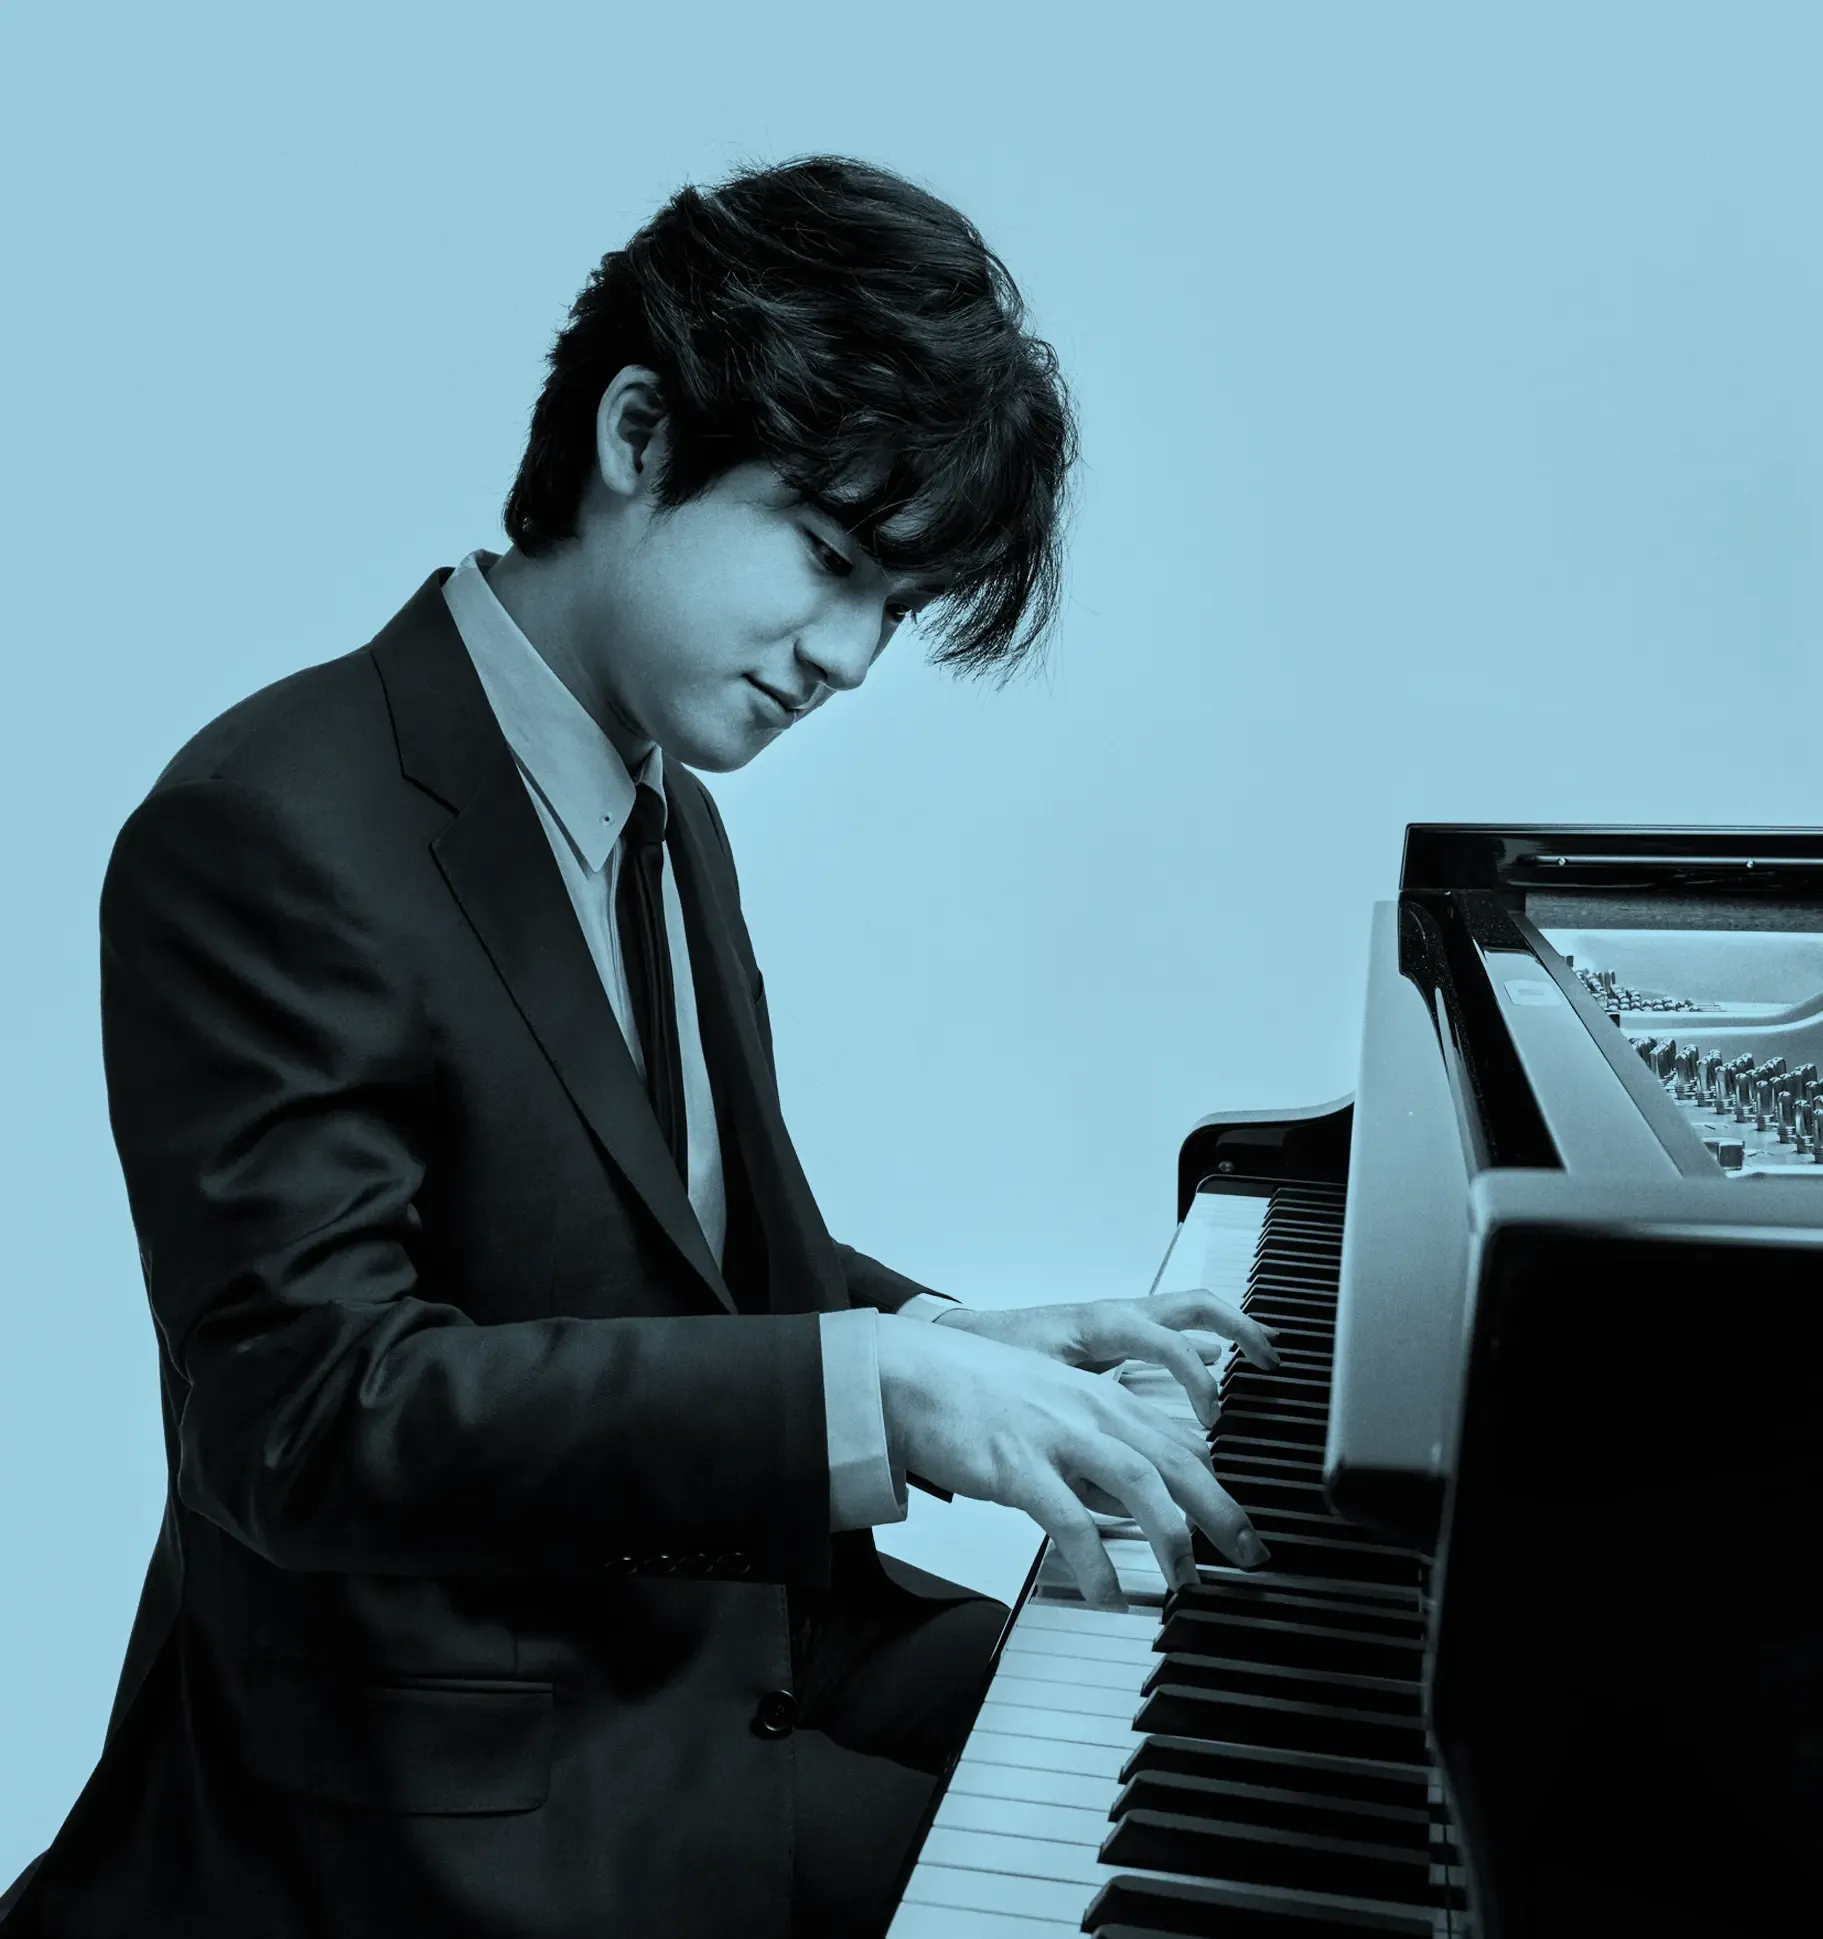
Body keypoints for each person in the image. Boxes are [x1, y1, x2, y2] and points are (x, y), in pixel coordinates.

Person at [0, 154, 1278, 1939]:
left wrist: (933, 1330)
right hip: (458, 1777)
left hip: (729, 1640)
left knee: (1200, 1755)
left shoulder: (667, 805)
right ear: (633, 435)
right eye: (830, 558)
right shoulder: (270, 823)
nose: (848, 654)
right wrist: (878, 1399)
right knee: (1138, 1895)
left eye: (894, 606)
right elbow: (297, 1416)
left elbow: (617, 1256)